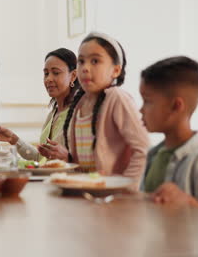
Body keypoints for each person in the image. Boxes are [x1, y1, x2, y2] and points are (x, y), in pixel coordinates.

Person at [58, 32, 149, 183]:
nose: (85, 68)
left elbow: (143, 149)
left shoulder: (117, 99)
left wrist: (126, 187)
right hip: (88, 194)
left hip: (114, 198)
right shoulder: (79, 104)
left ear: (116, 70)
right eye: (81, 61)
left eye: (95, 61)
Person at [139, 56, 198, 211]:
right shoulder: (153, 155)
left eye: (147, 101)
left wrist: (188, 203)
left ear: (176, 106)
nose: (141, 110)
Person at [0, 48, 79, 161]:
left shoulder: (78, 113)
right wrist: (13, 139)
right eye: (46, 73)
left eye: (56, 73)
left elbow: (86, 163)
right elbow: (40, 159)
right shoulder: (52, 115)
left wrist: (68, 158)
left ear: (73, 76)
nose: (48, 79)